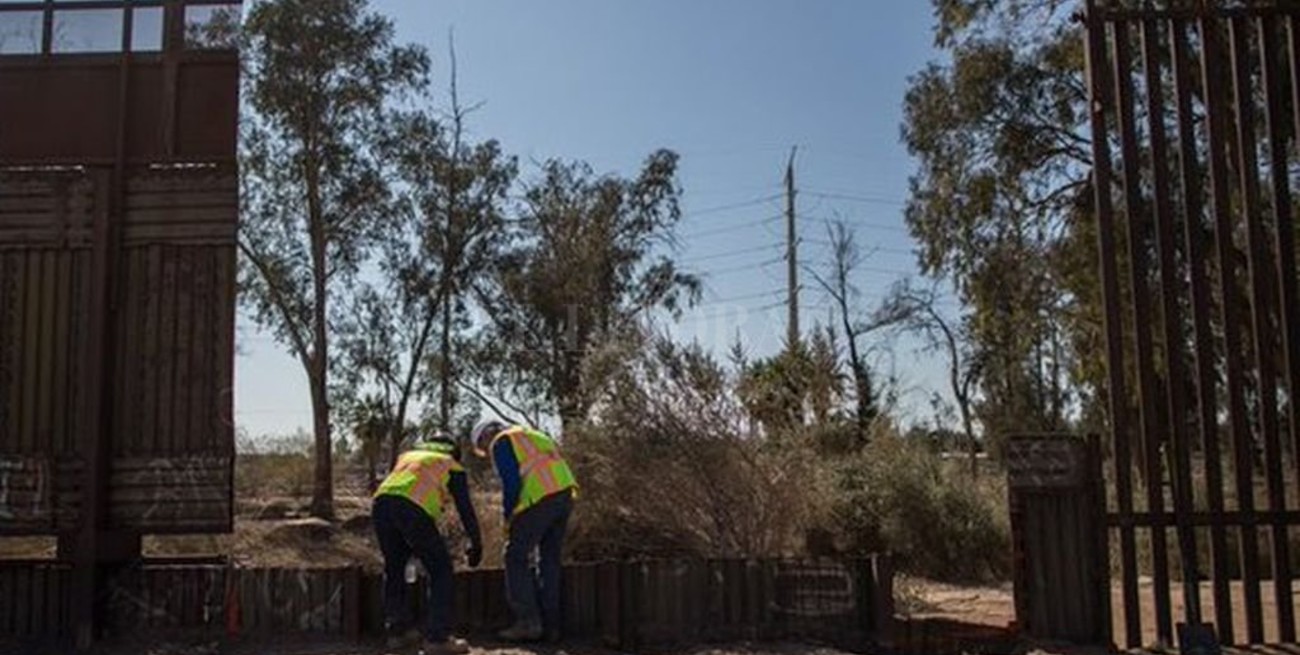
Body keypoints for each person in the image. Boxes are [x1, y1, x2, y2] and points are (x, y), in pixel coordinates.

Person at [373, 432, 483, 654]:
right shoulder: (451, 465)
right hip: (413, 510)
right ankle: (437, 638)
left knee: (394, 568)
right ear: (454, 450)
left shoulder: (408, 457)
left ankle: (397, 633)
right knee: (441, 571)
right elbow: (465, 509)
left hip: (380, 505)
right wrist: (476, 541)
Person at [470, 420, 577, 643]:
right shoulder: (533, 435)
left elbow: (512, 483)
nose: (487, 449)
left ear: (486, 435)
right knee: (548, 560)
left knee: (515, 556)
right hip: (564, 494)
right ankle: (551, 627)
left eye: (483, 444)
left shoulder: (502, 441)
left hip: (540, 498)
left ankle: (528, 622)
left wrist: (509, 516)